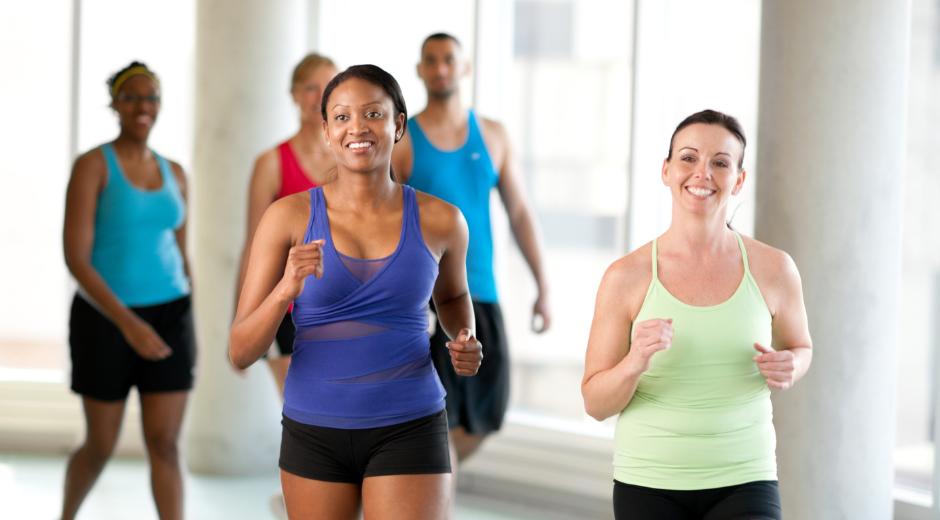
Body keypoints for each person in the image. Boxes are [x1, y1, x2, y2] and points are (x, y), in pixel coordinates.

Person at [230, 64, 483, 519]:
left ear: (398, 124)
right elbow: (241, 350)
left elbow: (451, 298)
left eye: (373, 114)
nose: (357, 128)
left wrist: (463, 334)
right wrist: (285, 289)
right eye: (342, 117)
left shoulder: (442, 220)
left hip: (410, 423)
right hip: (315, 430)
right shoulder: (287, 218)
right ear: (326, 130)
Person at [581, 110, 813, 519]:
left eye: (721, 163)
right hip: (648, 481)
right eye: (688, 158)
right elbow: (596, 403)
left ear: (738, 180)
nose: (702, 173)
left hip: (747, 475)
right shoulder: (626, 277)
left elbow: (801, 346)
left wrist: (790, 363)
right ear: (667, 171)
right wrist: (635, 361)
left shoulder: (775, 269)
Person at [391, 32, 551, 467]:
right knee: (431, 418)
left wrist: (543, 285)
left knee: (486, 415)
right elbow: (384, 219)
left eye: (449, 59)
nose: (441, 68)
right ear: (420, 70)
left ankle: (416, 489)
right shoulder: (404, 141)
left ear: (464, 68)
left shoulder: (494, 136)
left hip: (482, 291)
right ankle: (421, 498)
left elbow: (519, 213)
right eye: (431, 60)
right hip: (428, 299)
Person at [61, 61, 194, 520]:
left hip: (170, 316)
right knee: (101, 444)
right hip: (105, 320)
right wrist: (129, 325)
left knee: (165, 443)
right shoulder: (93, 166)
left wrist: (189, 308)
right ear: (115, 104)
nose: (144, 106)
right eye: (133, 96)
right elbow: (76, 257)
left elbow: (181, 251)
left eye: (152, 97)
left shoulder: (175, 173)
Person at [235, 53, 338, 395]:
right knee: (302, 407)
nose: (318, 97)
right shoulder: (271, 163)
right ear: (294, 94)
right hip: (288, 309)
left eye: (327, 88)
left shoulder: (351, 159)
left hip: (342, 304)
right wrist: (241, 320)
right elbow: (253, 244)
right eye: (310, 88)